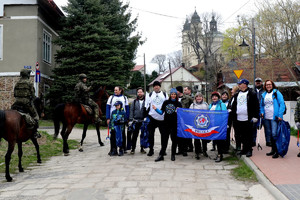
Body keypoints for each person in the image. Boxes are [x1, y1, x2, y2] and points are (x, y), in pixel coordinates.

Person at [231, 79, 259, 157]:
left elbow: (256, 106)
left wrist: (255, 116)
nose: (239, 85)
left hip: (248, 118)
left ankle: (249, 149)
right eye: (238, 84)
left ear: (245, 84)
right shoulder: (237, 94)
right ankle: (244, 149)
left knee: (248, 135)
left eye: (240, 84)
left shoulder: (252, 94)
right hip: (238, 118)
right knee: (241, 135)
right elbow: (234, 106)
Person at [153, 88, 182, 162]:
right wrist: (156, 109)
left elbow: (181, 115)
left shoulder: (178, 103)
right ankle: (161, 155)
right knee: (164, 140)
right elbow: (161, 112)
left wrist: (179, 111)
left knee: (174, 140)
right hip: (166, 124)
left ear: (176, 95)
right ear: (170, 95)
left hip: (174, 124)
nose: (173, 95)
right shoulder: (166, 102)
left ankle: (173, 154)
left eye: (174, 94)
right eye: (172, 94)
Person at [11, 69, 40, 138]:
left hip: (17, 102)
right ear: (27, 75)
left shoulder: (17, 83)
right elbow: (33, 94)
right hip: (26, 103)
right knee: (36, 116)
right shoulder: (29, 82)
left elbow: (14, 94)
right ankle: (35, 132)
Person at [260, 80, 285, 159]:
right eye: (267, 85)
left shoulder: (276, 93)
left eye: (270, 84)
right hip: (266, 117)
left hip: (275, 117)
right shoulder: (264, 94)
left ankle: (277, 151)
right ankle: (272, 150)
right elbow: (261, 105)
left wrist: (280, 115)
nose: (268, 86)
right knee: (270, 134)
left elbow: (282, 104)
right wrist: (262, 112)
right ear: (265, 86)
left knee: (275, 134)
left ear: (272, 85)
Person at [145, 81, 168, 156]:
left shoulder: (164, 94)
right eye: (155, 86)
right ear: (153, 87)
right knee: (151, 135)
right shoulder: (150, 94)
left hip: (162, 118)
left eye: (158, 86)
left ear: (160, 86)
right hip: (152, 117)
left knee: (163, 135)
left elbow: (167, 105)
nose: (156, 87)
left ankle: (163, 150)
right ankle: (151, 149)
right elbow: (146, 106)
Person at [106, 86, 130, 152]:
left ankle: (122, 148)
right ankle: (113, 149)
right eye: (114, 90)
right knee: (113, 134)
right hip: (113, 119)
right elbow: (108, 107)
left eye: (116, 90)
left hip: (122, 119)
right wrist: (108, 118)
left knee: (122, 134)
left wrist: (127, 118)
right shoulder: (111, 98)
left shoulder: (124, 98)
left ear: (120, 90)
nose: (115, 91)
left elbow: (127, 108)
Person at [189, 92, 209, 160]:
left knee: (204, 139)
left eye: (200, 96)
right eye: (197, 97)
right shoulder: (192, 105)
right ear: (195, 98)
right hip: (196, 124)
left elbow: (209, 113)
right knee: (196, 139)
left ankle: (204, 151)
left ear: (202, 98)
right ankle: (197, 152)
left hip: (204, 124)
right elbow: (190, 113)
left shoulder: (206, 104)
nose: (198, 98)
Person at [209, 91, 227, 162]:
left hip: (219, 125)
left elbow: (224, 115)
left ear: (218, 97)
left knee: (219, 141)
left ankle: (220, 155)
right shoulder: (210, 105)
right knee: (215, 140)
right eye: (213, 96)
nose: (214, 97)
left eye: (216, 96)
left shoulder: (221, 105)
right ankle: (218, 153)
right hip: (212, 125)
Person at [176, 86, 193, 156]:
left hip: (185, 119)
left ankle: (185, 150)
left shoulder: (188, 98)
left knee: (185, 135)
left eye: (176, 90)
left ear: (179, 91)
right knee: (178, 135)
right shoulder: (174, 98)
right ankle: (180, 149)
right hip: (177, 119)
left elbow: (193, 105)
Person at [128, 87, 146, 154]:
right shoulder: (134, 101)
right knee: (134, 135)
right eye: (138, 92)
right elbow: (131, 111)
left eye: (141, 92)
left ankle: (142, 148)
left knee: (143, 135)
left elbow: (148, 110)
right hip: (136, 121)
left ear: (143, 92)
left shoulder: (146, 101)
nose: (139, 93)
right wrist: (130, 120)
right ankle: (133, 149)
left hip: (143, 121)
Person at [253, 77, 265, 147]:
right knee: (254, 127)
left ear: (261, 82)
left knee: (265, 127)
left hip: (263, 112)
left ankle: (268, 142)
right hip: (255, 112)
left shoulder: (264, 92)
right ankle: (253, 141)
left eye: (259, 81)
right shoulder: (252, 91)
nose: (258, 83)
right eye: (256, 82)